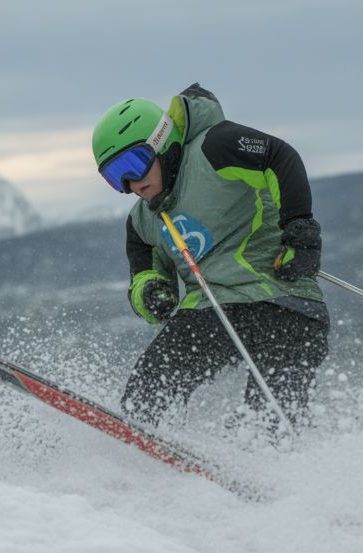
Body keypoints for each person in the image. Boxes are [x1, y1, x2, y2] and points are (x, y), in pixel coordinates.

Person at [91, 83, 329, 430]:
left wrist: (301, 230)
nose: (131, 184)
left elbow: (278, 157)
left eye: (134, 164)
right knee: (148, 391)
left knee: (270, 419)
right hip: (214, 308)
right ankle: (140, 451)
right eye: (115, 177)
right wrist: (151, 292)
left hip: (284, 301)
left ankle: (276, 462)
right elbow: (143, 274)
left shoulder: (214, 148)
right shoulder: (144, 221)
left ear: (161, 143)